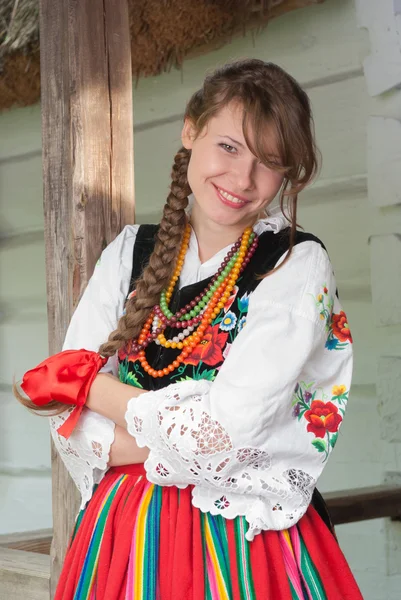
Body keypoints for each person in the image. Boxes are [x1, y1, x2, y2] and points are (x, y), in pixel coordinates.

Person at [16, 59, 362, 599]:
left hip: (243, 539)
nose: (242, 179)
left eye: (268, 163)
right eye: (228, 147)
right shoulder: (129, 252)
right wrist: (184, 429)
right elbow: (67, 419)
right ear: (190, 129)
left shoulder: (294, 264)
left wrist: (92, 387)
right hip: (120, 541)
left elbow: (227, 431)